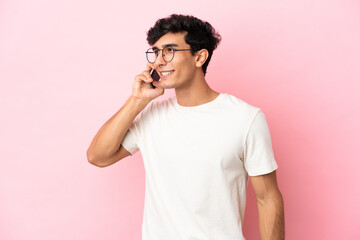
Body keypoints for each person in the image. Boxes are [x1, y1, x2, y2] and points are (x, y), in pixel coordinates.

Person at [87, 14, 284, 240]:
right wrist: (137, 101)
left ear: (199, 57)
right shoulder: (152, 116)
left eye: (169, 51)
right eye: (156, 52)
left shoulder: (246, 119)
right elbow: (98, 156)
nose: (158, 61)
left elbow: (268, 198)